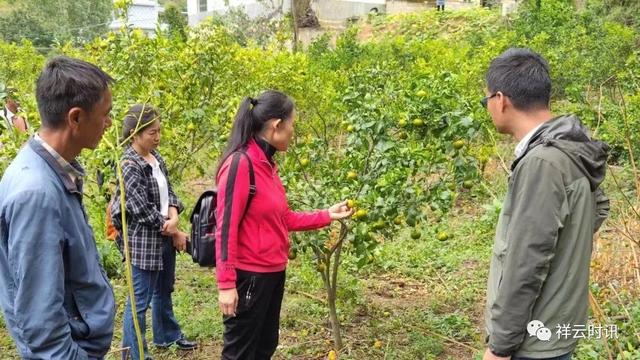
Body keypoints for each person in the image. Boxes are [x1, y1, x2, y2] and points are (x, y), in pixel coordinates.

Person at [482, 48, 609, 360]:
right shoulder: (572, 146)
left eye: (485, 100)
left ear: (501, 100)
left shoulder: (543, 162)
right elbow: (599, 207)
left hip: (533, 342)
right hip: (556, 327)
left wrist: (500, 346)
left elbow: (527, 261)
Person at [215, 90, 353, 359]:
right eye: (292, 125)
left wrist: (326, 215)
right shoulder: (241, 164)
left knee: (264, 346)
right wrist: (226, 284)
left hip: (273, 272)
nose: (293, 132)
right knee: (240, 353)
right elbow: (225, 228)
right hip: (249, 277)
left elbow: (283, 218)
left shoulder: (268, 165)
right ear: (277, 125)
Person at [0, 56, 116, 359]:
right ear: (75, 118)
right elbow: (41, 323)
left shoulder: (51, 171)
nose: (109, 123)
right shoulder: (36, 193)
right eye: (105, 114)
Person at [110, 104, 197, 359]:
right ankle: (133, 354)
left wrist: (174, 215)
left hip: (163, 236)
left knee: (163, 289)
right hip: (143, 243)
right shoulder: (128, 163)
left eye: (159, 131)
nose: (157, 137)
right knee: (138, 302)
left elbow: (169, 191)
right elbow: (137, 206)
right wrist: (169, 228)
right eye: (151, 132)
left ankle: (166, 334)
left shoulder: (156, 158)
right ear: (134, 134)